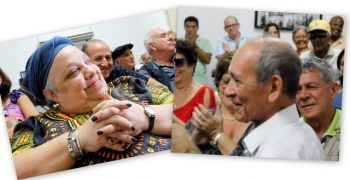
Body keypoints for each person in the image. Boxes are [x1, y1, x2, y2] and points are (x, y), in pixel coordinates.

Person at [11, 37, 173, 179]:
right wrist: (79, 139)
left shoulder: (130, 85)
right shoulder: (36, 127)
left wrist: (146, 116)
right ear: (52, 94)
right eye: (74, 71)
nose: (91, 71)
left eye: (87, 61)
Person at [222, 38, 323, 159]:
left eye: (237, 80)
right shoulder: (296, 134)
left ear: (274, 87)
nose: (228, 91)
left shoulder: (279, 152)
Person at [189, 57, 253, 155]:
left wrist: (216, 134)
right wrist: (193, 141)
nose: (231, 90)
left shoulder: (257, 122)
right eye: (226, 81)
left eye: (238, 82)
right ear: (218, 83)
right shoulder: (201, 117)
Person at [296, 58, 341, 161]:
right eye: (297, 89)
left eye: (311, 87)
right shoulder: (287, 134)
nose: (303, 95)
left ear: (334, 90)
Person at [82, 39, 162, 87]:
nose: (106, 63)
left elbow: (156, 85)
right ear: (86, 61)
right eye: (98, 58)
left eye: (108, 57)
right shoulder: (82, 81)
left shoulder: (117, 71)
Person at [173, 39, 216, 124]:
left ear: (192, 64)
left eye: (179, 63)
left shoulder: (205, 93)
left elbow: (207, 132)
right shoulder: (163, 90)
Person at [138, 27, 176, 92]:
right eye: (163, 36)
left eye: (168, 35)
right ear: (152, 46)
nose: (170, 38)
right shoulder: (145, 72)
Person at [184, 16, 213, 85]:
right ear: (184, 27)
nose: (190, 29)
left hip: (200, 82)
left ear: (197, 27)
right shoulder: (179, 41)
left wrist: (195, 46)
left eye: (193, 27)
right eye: (188, 26)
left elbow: (207, 60)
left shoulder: (205, 41)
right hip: (183, 82)